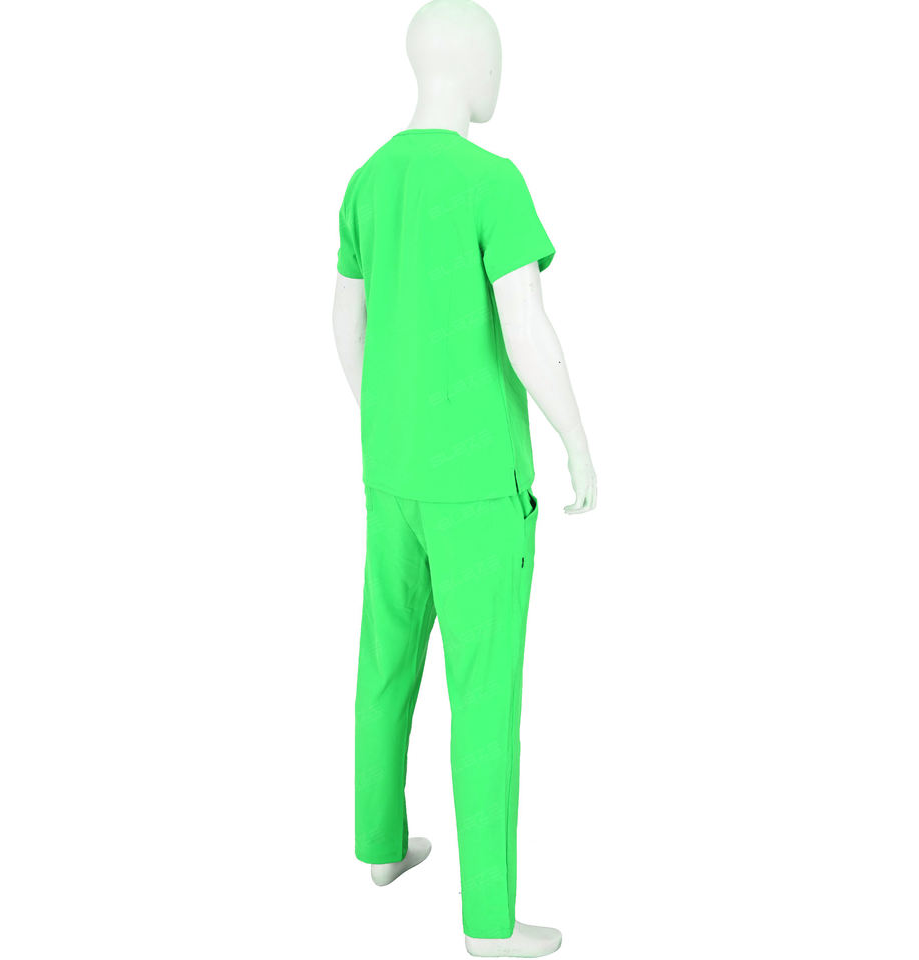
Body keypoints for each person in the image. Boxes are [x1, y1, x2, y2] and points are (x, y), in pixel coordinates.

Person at [332, 2, 596, 955]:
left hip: (391, 476)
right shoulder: (493, 183)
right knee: (484, 697)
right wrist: (576, 440)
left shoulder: (368, 180)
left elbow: (345, 324)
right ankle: (490, 925)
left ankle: (379, 848)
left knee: (385, 661)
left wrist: (386, 420)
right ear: (476, 67)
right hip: (479, 489)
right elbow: (528, 332)